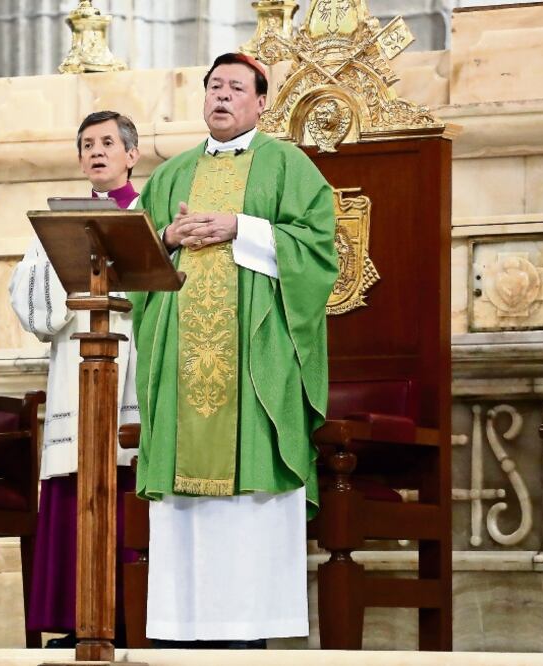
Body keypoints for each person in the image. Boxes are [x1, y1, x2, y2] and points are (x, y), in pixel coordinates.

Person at [129, 52, 338, 647]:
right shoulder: (171, 175)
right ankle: (178, 631)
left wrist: (239, 227)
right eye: (214, 86)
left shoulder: (287, 165)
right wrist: (168, 235)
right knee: (183, 502)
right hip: (179, 363)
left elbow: (319, 249)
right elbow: (132, 261)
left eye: (236, 88)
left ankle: (247, 634)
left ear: (261, 102)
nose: (221, 95)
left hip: (255, 363)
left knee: (252, 490)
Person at [9, 110, 141, 647]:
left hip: (133, 370)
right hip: (75, 367)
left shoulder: (150, 214)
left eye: (108, 142)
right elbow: (33, 306)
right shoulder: (57, 224)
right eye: (87, 144)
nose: (97, 151)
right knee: (75, 485)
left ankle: (131, 617)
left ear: (132, 154)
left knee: (127, 483)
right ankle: (77, 620)